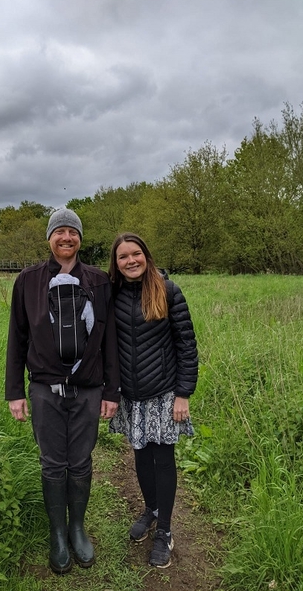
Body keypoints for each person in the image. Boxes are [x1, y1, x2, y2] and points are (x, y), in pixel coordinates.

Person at [5, 208, 120, 574]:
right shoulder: (28, 281)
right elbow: (17, 338)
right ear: (49, 238)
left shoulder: (100, 281)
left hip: (88, 389)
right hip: (43, 390)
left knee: (82, 460)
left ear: (80, 239)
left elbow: (110, 341)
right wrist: (15, 391)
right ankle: (57, 534)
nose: (66, 238)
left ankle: (77, 528)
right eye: (60, 232)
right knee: (53, 463)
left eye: (72, 232)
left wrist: (111, 392)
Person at [108, 232, 198, 569]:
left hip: (163, 393)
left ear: (146, 255)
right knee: (141, 455)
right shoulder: (112, 294)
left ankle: (166, 530)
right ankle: (151, 508)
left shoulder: (168, 290)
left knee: (163, 458)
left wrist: (183, 393)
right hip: (132, 395)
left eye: (136, 254)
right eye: (123, 256)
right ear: (115, 264)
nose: (131, 260)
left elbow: (187, 345)